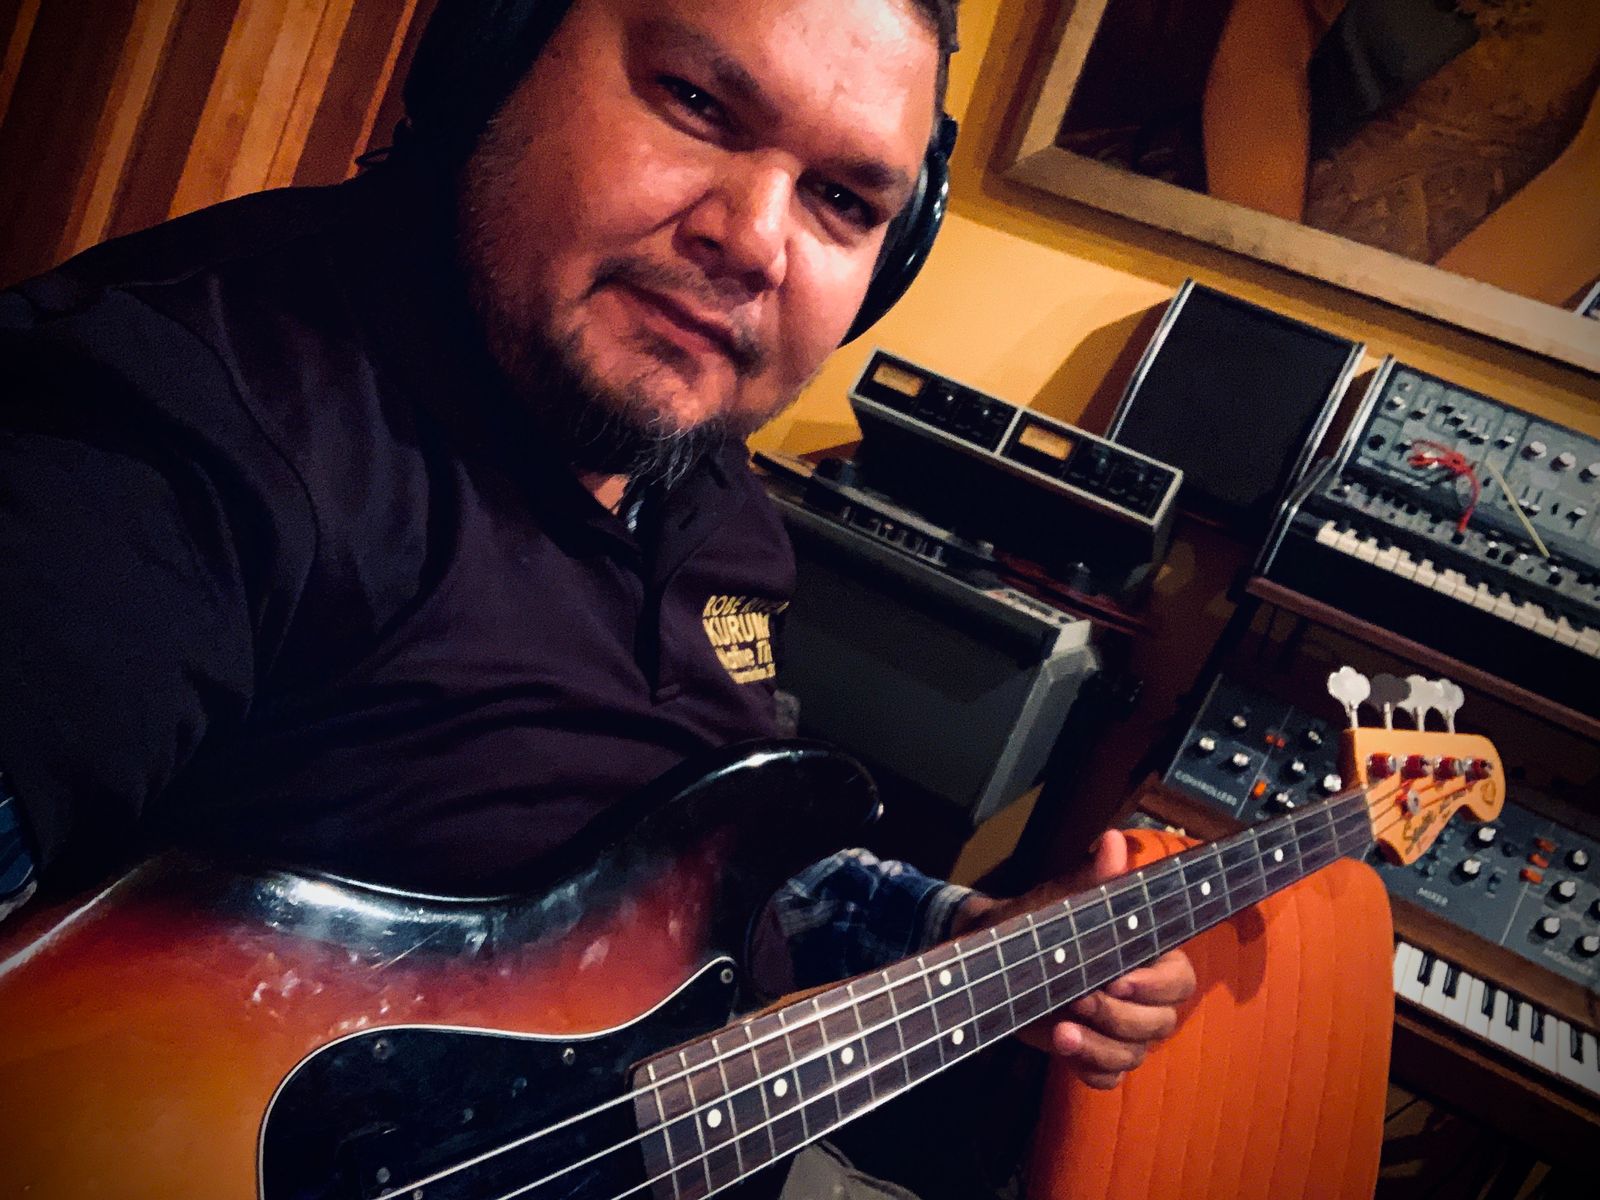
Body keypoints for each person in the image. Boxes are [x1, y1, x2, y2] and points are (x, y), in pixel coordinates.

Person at [0, 0, 1194, 1192]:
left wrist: (967, 934)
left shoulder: (717, 498)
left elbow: (713, 875)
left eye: (841, 199)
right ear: (497, 52)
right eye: (697, 102)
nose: (756, 241)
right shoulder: (175, 431)